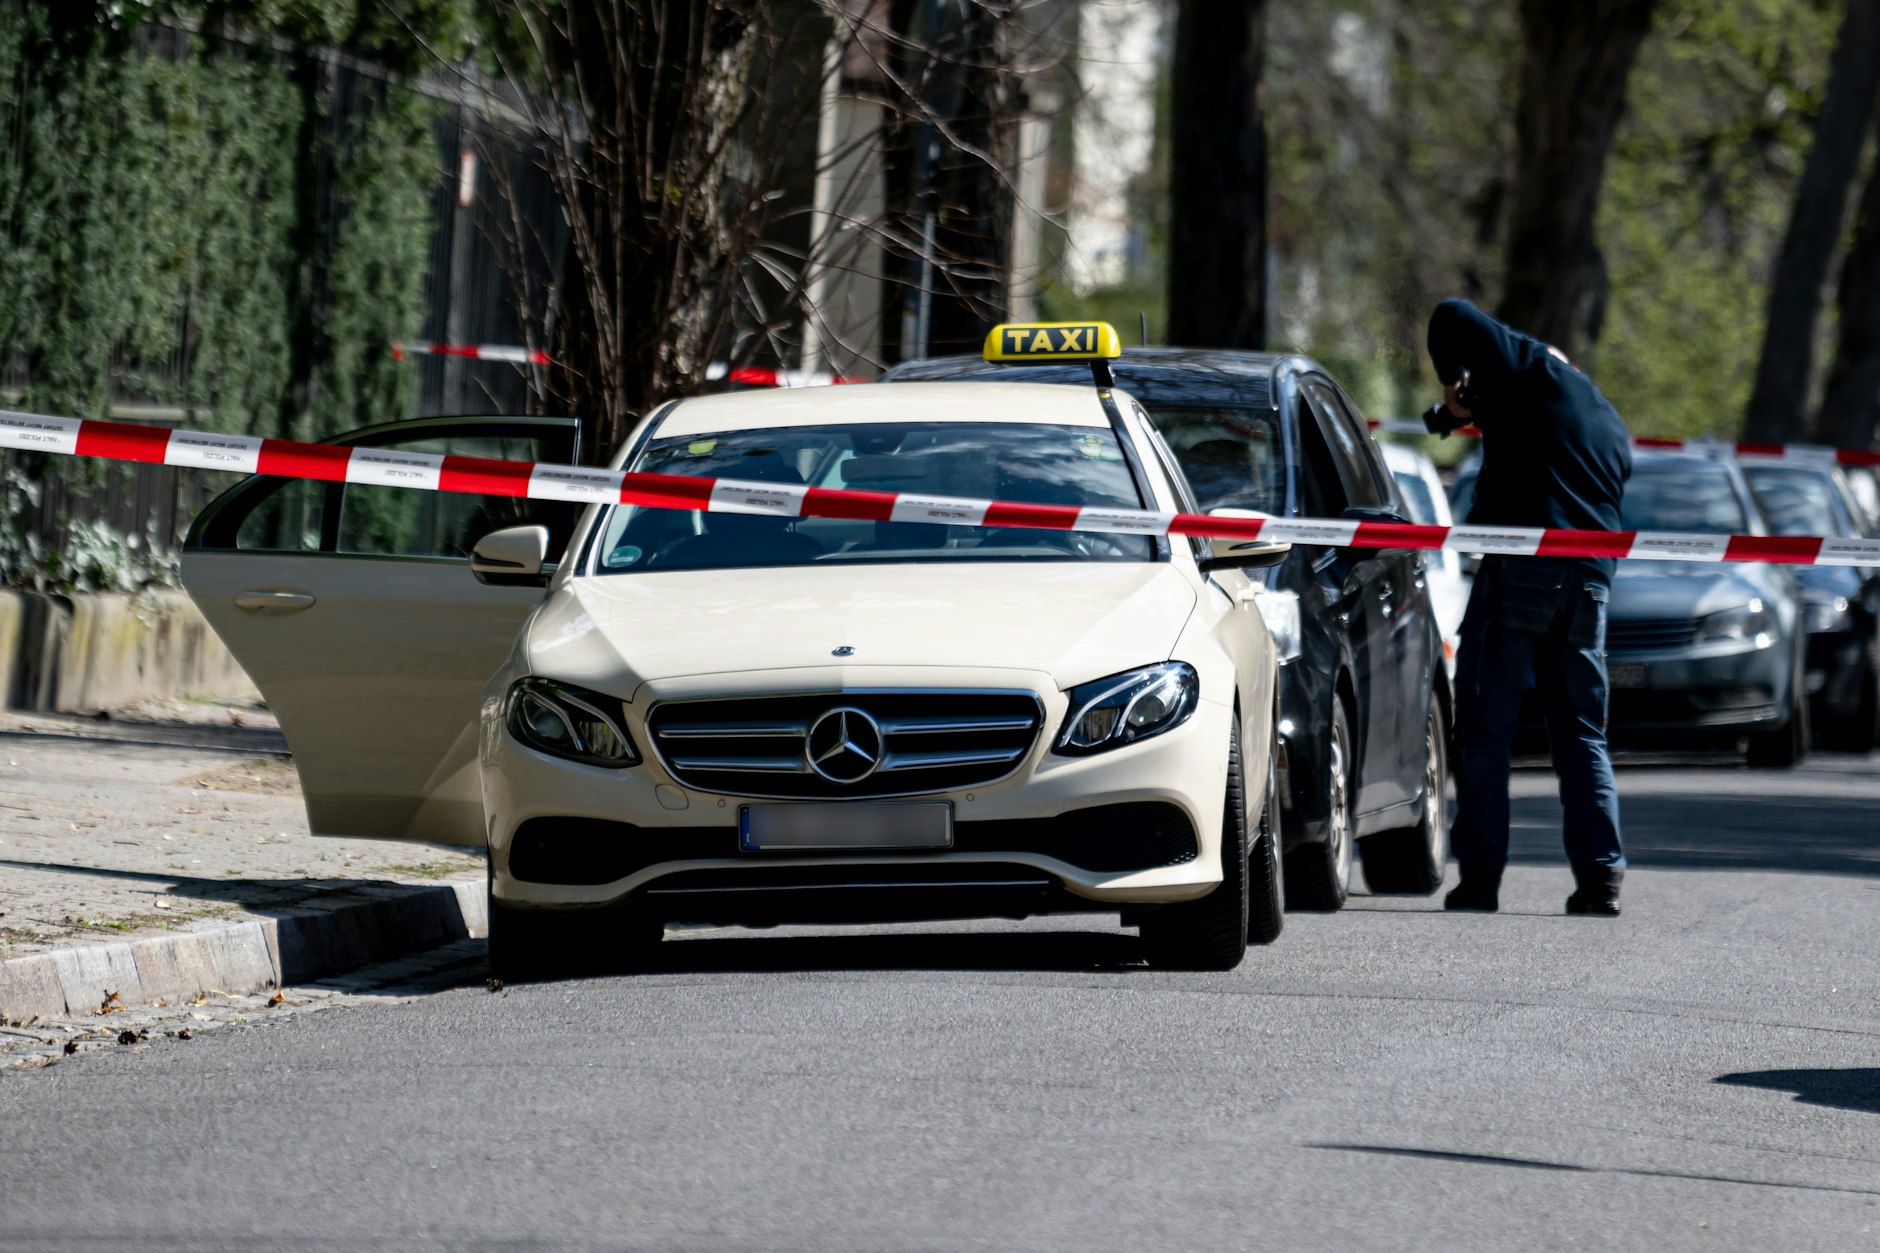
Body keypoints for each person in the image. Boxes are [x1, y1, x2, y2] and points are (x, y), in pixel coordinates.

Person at [1425, 298, 1632, 916]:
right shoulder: (1604, 420)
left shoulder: (1533, 367)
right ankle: (1601, 881)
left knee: (1486, 729)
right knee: (1582, 736)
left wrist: (1454, 377)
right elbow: (1540, 449)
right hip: (1590, 585)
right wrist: (1466, 413)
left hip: (1522, 572)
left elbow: (1451, 315)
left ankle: (1480, 878)